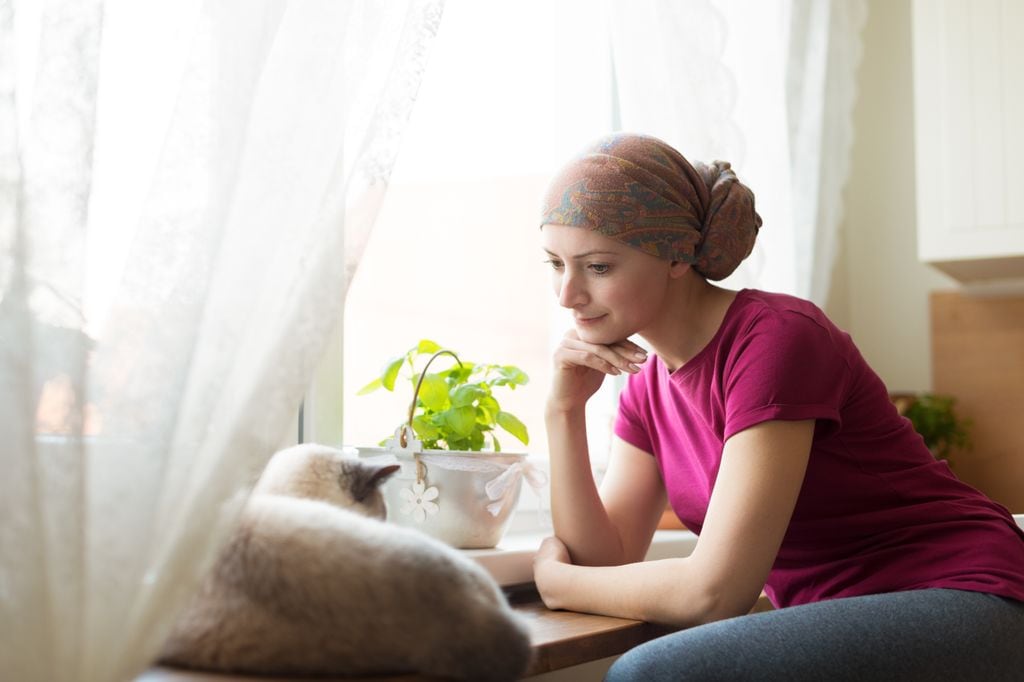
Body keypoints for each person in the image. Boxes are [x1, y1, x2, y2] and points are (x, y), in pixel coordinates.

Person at [532, 132, 1024, 681]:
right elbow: (607, 562)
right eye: (556, 264)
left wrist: (558, 583)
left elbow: (713, 593)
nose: (566, 294)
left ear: (677, 255)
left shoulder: (775, 339)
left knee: (654, 674)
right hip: (846, 613)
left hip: (967, 594)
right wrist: (563, 412)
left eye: (597, 267)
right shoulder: (647, 386)